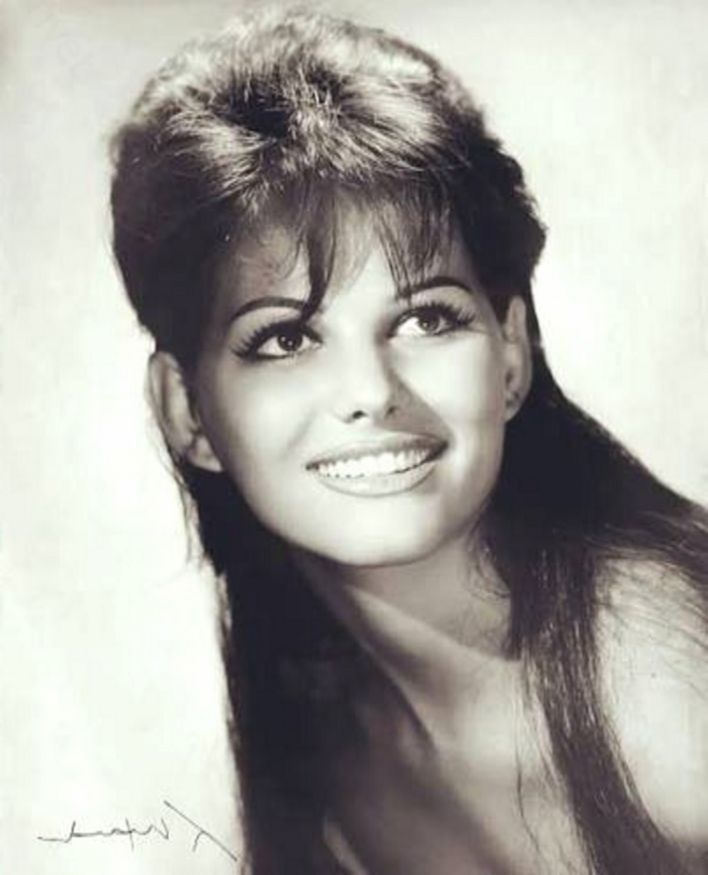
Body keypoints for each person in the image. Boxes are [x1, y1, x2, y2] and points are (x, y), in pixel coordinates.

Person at [110, 9, 708, 874]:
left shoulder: (671, 689)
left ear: (510, 354)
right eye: (286, 337)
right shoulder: (325, 732)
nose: (371, 392)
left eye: (427, 318)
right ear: (187, 412)